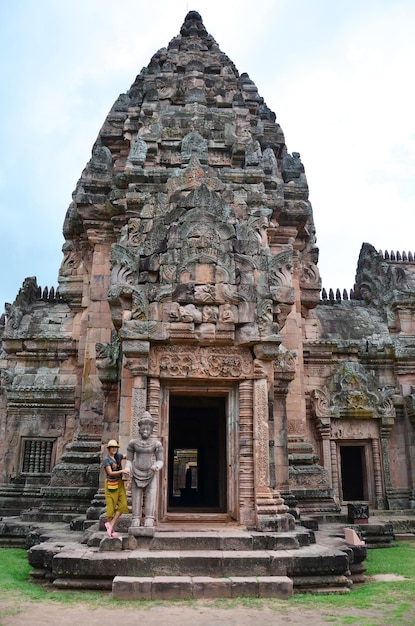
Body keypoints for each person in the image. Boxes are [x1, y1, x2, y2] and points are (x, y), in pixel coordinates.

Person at [126, 412, 164, 528]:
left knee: (151, 495)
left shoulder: (156, 444)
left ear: (152, 429)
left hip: (151, 472)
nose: (145, 431)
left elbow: (160, 460)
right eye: (143, 428)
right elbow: (129, 459)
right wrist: (127, 467)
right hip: (136, 471)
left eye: (148, 428)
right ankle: (136, 518)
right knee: (136, 496)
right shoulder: (133, 443)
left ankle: (149, 518)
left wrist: (156, 466)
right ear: (139, 429)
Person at [102, 439, 131, 537]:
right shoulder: (107, 460)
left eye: (115, 447)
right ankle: (112, 531)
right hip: (110, 483)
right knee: (111, 507)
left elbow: (128, 456)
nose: (114, 449)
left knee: (123, 505)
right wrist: (123, 471)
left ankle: (110, 524)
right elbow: (110, 472)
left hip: (119, 483)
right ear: (109, 449)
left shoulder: (118, 456)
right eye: (112, 447)